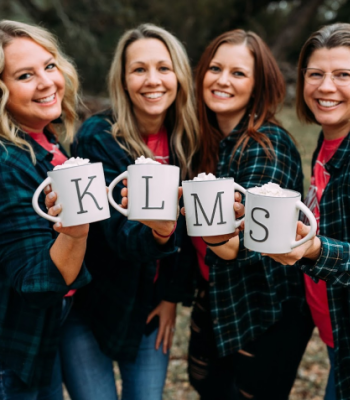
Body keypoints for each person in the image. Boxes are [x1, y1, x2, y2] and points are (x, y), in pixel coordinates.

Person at [62, 24, 199, 400]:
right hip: (92, 303)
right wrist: (160, 230)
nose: (152, 80)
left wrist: (171, 296)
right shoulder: (97, 136)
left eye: (163, 68)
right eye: (139, 69)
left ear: (179, 76)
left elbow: (191, 236)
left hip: (150, 306)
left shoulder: (189, 138)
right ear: (122, 80)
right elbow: (118, 234)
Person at [265, 23, 350, 400]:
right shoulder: (333, 137)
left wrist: (313, 250)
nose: (326, 87)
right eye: (315, 74)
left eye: (343, 74)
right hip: (339, 332)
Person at [186, 29, 314, 400]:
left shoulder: (267, 147)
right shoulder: (204, 140)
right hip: (215, 299)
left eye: (238, 73)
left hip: (264, 311)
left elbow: (245, 243)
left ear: (259, 85)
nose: (222, 80)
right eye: (215, 68)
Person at [0, 20, 91, 399]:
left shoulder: (48, 140)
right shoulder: (6, 160)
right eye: (25, 75)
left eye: (49, 66)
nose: (46, 83)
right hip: (14, 347)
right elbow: (36, 282)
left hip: (49, 329)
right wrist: (76, 228)